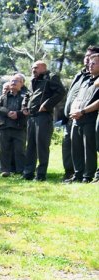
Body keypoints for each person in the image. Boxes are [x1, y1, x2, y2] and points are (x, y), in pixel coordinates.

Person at [22, 61, 65, 180]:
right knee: (30, 146)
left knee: (42, 146)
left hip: (43, 117)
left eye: (35, 67)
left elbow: (60, 92)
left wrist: (47, 104)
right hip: (31, 117)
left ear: (43, 68)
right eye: (32, 68)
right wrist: (24, 106)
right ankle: (28, 173)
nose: (33, 70)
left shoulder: (51, 77)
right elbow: (27, 95)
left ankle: (40, 175)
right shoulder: (33, 80)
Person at [62, 46, 99, 183]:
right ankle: (77, 175)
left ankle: (87, 176)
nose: (90, 65)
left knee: (88, 149)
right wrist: (74, 111)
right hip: (76, 119)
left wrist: (82, 111)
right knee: (75, 148)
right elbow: (77, 98)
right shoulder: (85, 80)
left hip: (89, 118)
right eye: (89, 63)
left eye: (94, 63)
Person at [0, 75, 28, 178]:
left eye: (16, 81)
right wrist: (8, 112)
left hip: (19, 127)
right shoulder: (3, 96)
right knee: (4, 150)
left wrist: (18, 114)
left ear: (21, 84)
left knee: (20, 150)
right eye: (12, 81)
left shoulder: (25, 97)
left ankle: (20, 170)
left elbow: (26, 109)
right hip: (4, 127)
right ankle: (4, 170)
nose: (13, 82)